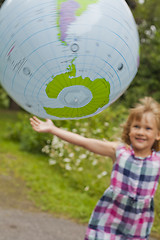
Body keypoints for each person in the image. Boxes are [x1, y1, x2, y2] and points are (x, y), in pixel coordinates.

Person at [30, 97, 160, 240]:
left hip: (137, 225)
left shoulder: (157, 160)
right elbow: (84, 142)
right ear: (129, 130)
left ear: (158, 134)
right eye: (136, 127)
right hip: (110, 217)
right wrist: (53, 129)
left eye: (148, 128)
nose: (141, 132)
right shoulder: (119, 151)